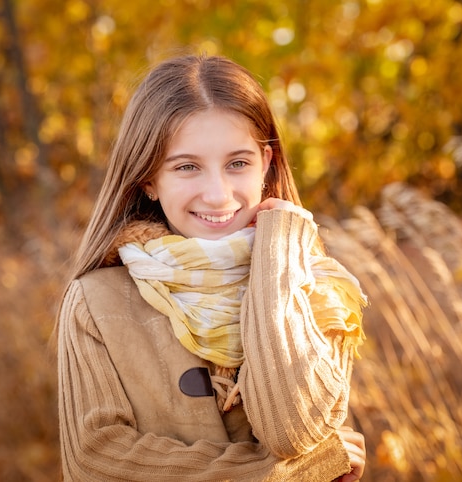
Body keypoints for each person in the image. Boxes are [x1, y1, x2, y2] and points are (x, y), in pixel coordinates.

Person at [55, 53, 368, 481]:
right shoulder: (97, 301)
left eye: (237, 163)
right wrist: (286, 475)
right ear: (148, 178)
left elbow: (292, 431)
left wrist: (277, 254)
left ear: (267, 164)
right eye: (187, 167)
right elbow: (96, 463)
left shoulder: (316, 288)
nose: (218, 196)